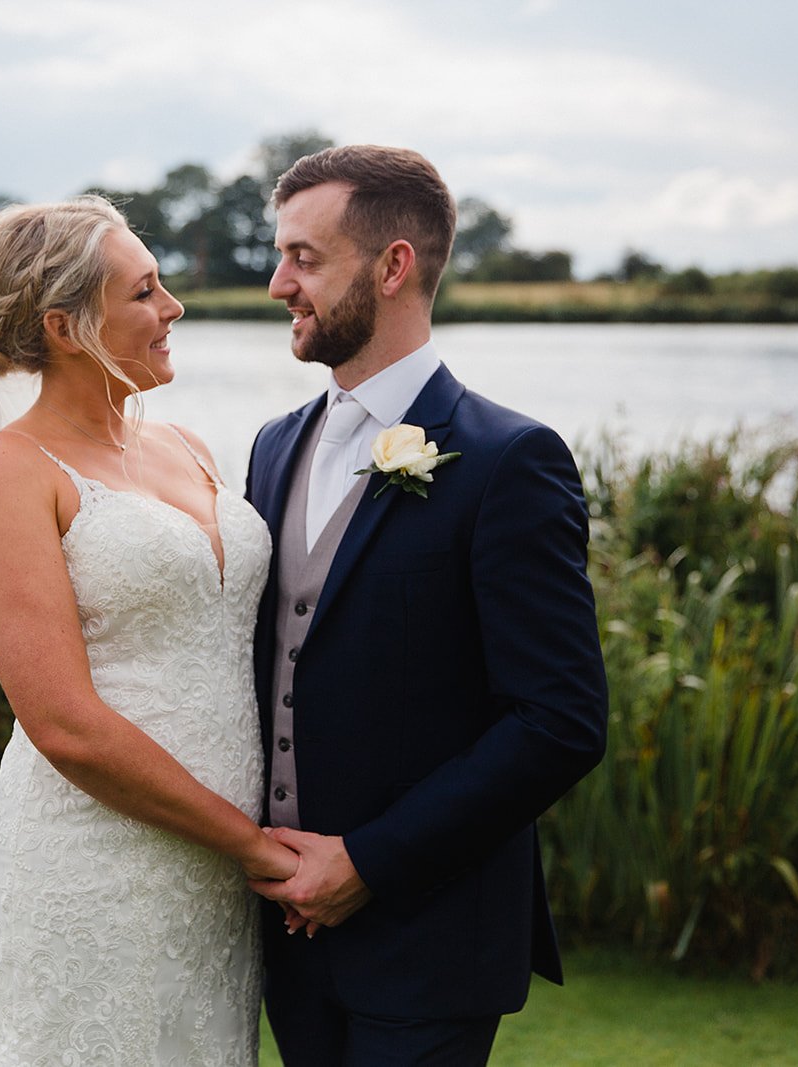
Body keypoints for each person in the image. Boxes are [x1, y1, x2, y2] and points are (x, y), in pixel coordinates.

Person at [244, 145, 609, 1065]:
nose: (279, 282)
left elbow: (559, 720)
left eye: (305, 257)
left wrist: (366, 863)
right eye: (281, 255)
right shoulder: (271, 448)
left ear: (394, 264)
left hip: (429, 940)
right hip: (286, 941)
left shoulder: (508, 461)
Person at [0, 195, 297, 1065]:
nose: (173, 308)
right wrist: (252, 842)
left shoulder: (187, 445)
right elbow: (63, 722)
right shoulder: (7, 471)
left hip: (215, 869)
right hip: (97, 855)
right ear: (68, 327)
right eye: (145, 292)